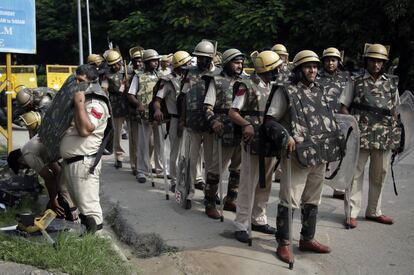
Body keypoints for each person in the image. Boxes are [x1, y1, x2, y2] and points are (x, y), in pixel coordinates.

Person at [266, 50, 344, 263]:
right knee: (289, 199)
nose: (313, 70)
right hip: (296, 152)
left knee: (312, 199)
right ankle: (283, 243)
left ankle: (307, 238)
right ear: (299, 69)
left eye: (315, 67)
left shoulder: (320, 90)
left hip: (319, 152)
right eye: (308, 66)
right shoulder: (286, 91)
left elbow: (328, 118)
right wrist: (285, 137)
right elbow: (270, 120)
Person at [340, 43, 400, 228]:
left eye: (379, 61)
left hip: (383, 136)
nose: (376, 64)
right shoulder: (355, 81)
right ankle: (351, 213)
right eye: (373, 60)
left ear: (384, 63)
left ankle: (374, 211)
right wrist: (349, 129)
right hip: (360, 135)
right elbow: (343, 106)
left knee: (379, 174)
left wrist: (396, 136)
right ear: (367, 61)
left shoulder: (391, 84)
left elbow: (395, 110)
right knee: (355, 174)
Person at [229, 50, 283, 242]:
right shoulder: (246, 86)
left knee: (266, 183)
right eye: (276, 67)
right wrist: (246, 124)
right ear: (267, 68)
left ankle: (258, 218)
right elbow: (233, 112)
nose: (279, 70)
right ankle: (241, 223)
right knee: (247, 183)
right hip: (252, 142)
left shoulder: (276, 87)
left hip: (270, 142)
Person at [59, 64, 112, 233]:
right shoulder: (84, 97)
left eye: (80, 80)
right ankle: (90, 241)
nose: (76, 83)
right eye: (75, 79)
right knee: (83, 211)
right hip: (74, 162)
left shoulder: (95, 102)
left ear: (90, 81)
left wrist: (79, 103)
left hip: (83, 163)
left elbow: (85, 130)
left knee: (90, 210)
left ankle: (99, 242)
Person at [202, 48, 245, 218]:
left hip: (241, 131)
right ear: (227, 63)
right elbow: (207, 107)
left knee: (238, 169)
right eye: (236, 62)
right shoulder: (216, 81)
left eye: (241, 63)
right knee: (216, 169)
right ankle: (210, 202)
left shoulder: (245, 82)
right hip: (223, 131)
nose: (239, 66)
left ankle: (231, 199)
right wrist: (214, 121)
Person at [179, 40, 221, 205]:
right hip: (193, 123)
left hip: (211, 124)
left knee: (211, 163)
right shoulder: (190, 73)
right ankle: (188, 193)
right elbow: (183, 97)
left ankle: (210, 194)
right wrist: (182, 119)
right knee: (191, 159)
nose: (201, 61)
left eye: (204, 58)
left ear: (211, 58)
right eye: (199, 57)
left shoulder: (219, 74)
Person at [153, 50, 192, 191]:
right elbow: (158, 100)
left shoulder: (192, 78)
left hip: (191, 120)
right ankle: (174, 180)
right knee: (175, 151)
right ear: (180, 65)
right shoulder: (167, 81)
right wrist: (157, 110)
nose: (191, 65)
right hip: (175, 120)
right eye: (188, 63)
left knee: (190, 153)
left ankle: (190, 180)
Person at [316, 47, 351, 199]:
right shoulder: (316, 76)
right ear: (323, 61)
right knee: (321, 157)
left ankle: (339, 189)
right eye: (327, 60)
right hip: (320, 121)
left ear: (338, 62)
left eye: (333, 60)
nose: (330, 63)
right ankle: (315, 189)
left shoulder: (346, 78)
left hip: (340, 121)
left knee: (340, 156)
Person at [128, 49, 163, 183]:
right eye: (153, 61)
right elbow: (131, 94)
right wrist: (138, 105)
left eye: (157, 61)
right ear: (146, 62)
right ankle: (141, 170)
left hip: (159, 113)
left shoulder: (162, 76)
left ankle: (160, 169)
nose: (156, 63)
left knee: (158, 142)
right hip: (144, 114)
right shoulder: (138, 76)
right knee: (144, 143)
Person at [102, 50, 129, 169]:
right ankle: (119, 157)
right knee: (117, 133)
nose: (115, 66)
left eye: (117, 63)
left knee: (133, 134)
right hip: (116, 105)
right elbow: (104, 88)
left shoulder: (129, 71)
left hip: (130, 104)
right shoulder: (106, 74)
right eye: (112, 65)